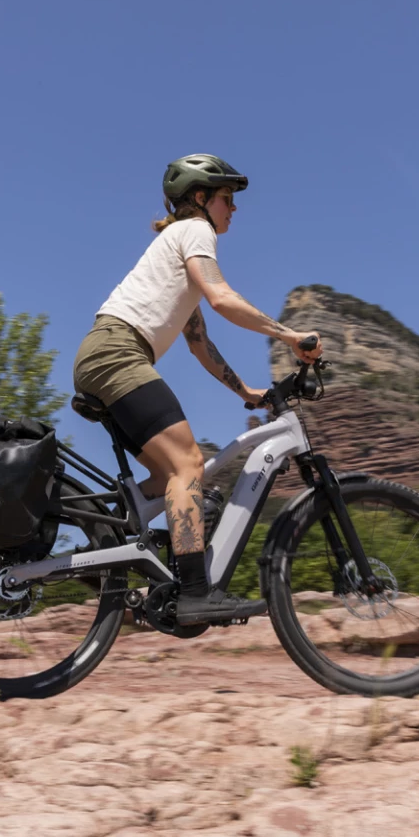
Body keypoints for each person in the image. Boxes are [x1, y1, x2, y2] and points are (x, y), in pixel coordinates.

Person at [73, 154, 322, 625]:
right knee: (190, 463)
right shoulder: (194, 231)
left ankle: (100, 540)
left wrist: (246, 392)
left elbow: (199, 343)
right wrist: (290, 336)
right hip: (118, 354)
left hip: (107, 355)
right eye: (228, 198)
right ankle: (193, 593)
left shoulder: (175, 250)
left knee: (174, 476)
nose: (234, 208)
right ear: (202, 199)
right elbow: (222, 298)